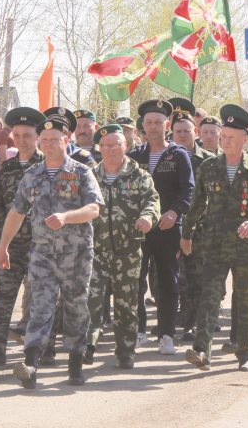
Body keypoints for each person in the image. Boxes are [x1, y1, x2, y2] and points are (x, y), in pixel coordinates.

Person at [0, 110, 103, 388]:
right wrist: (3, 246)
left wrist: (67, 217)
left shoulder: (81, 173)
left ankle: (75, 364)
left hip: (76, 254)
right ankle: (30, 365)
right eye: (44, 140)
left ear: (66, 140)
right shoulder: (32, 175)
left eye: (54, 139)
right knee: (39, 308)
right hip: (42, 255)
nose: (48, 144)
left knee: (75, 307)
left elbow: (94, 208)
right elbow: (16, 214)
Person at [181, 104, 248, 371]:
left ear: (244, 140)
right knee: (210, 295)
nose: (225, 142)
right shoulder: (209, 167)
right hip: (214, 243)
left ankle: (245, 352)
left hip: (247, 246)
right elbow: (197, 204)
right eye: (223, 138)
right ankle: (202, 350)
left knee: (245, 296)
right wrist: (186, 233)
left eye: (231, 139)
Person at [86, 124, 160, 368]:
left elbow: (152, 201)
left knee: (126, 303)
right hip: (95, 251)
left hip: (128, 251)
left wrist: (148, 217)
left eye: (116, 145)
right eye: (106, 146)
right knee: (92, 301)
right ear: (99, 148)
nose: (111, 150)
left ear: (125, 146)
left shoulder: (139, 176)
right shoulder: (90, 177)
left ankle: (126, 351)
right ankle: (87, 346)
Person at [0, 107, 45, 368]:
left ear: (37, 136)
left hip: (41, 245)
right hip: (11, 245)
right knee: (3, 296)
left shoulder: (49, 167)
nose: (22, 140)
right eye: (17, 135)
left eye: (28, 135)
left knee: (40, 298)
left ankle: (41, 349)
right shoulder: (7, 169)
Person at [128, 99, 194, 355]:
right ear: (142, 126)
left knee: (168, 281)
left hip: (168, 229)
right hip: (140, 229)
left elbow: (188, 189)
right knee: (136, 281)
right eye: (149, 122)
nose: (153, 127)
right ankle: (139, 331)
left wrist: (174, 211)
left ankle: (166, 334)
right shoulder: (134, 157)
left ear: (167, 125)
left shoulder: (178, 155)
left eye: (158, 122)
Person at [169, 109, 214, 342]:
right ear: (172, 133)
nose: (183, 135)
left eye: (187, 130)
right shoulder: (166, 158)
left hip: (201, 229)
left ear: (194, 132)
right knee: (174, 277)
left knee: (198, 276)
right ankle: (175, 320)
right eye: (178, 131)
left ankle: (193, 323)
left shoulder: (208, 159)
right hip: (171, 226)